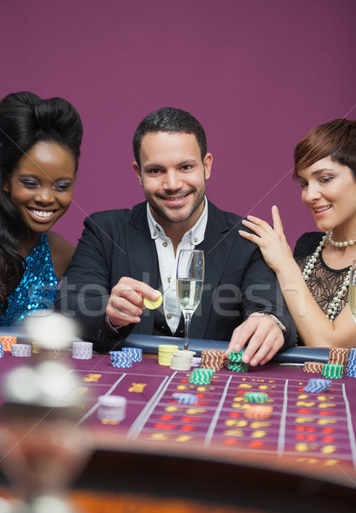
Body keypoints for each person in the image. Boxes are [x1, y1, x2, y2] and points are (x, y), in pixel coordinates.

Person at [56, 107, 295, 365]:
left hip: (210, 394)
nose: (172, 184)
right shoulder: (104, 230)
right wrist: (108, 313)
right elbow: (67, 308)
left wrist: (271, 321)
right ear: (139, 173)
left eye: (185, 167)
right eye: (156, 171)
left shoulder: (246, 238)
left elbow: (272, 309)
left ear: (206, 166)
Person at [239, 118, 356, 348]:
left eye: (325, 179)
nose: (310, 195)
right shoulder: (308, 246)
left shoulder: (288, 261)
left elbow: (330, 346)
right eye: (304, 183)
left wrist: (284, 264)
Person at [0, 91, 83, 326]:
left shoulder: (63, 253)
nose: (45, 197)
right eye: (30, 183)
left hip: (26, 364)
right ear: (6, 180)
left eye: (61, 186)